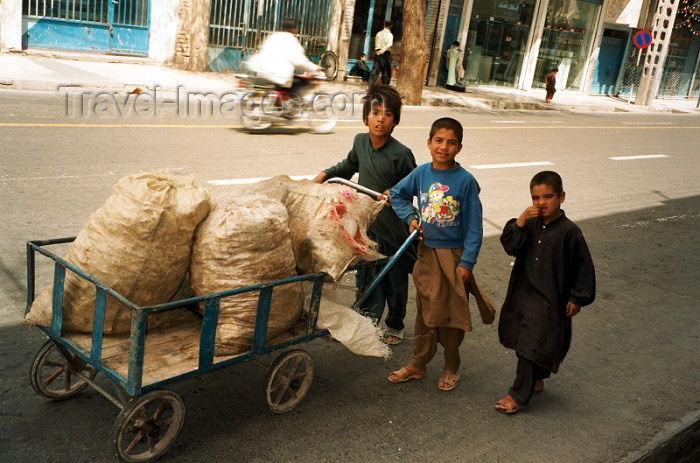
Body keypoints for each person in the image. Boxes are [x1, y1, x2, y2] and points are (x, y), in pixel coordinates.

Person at [312, 85, 416, 345]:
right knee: (367, 273)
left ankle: (395, 323)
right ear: (366, 117)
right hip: (366, 225)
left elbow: (413, 186)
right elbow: (348, 166)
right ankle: (365, 320)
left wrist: (395, 193)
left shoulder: (401, 155)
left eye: (388, 114)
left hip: (393, 227)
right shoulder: (360, 141)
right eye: (375, 112)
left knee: (394, 278)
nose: (380, 118)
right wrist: (323, 177)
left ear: (395, 120)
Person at [387, 117, 484, 392]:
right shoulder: (420, 174)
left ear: (459, 148)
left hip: (454, 258)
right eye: (439, 141)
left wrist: (466, 263)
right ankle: (418, 363)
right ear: (429, 143)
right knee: (425, 313)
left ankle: (452, 364)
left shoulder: (466, 182)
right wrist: (410, 218)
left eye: (451, 142)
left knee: (452, 317)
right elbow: (397, 195)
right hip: (427, 255)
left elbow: (475, 227)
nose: (444, 147)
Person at [494, 171, 596, 414]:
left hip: (551, 300)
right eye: (535, 198)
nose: (541, 203)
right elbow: (511, 246)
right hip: (524, 294)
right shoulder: (529, 224)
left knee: (532, 343)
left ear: (561, 197)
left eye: (547, 197)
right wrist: (519, 221)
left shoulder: (570, 232)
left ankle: (518, 394)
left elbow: (583, 267)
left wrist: (577, 298)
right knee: (528, 342)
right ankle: (535, 379)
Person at [245, 18, 319, 96]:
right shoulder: (291, 41)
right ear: (293, 29)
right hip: (280, 77)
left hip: (263, 74)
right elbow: (299, 61)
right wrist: (315, 68)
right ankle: (295, 104)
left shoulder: (272, 36)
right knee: (302, 84)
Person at [368, 21, 394, 86]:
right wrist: (382, 51)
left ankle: (370, 85)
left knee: (375, 69)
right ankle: (385, 86)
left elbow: (376, 43)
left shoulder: (378, 33)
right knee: (386, 72)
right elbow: (389, 44)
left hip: (377, 52)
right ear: (391, 26)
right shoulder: (389, 35)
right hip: (385, 53)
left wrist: (377, 50)